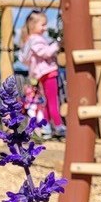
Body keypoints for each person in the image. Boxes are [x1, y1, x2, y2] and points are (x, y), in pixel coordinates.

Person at [18, 10, 65, 139]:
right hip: (47, 72)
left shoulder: (30, 40)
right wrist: (57, 44)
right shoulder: (36, 40)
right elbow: (45, 53)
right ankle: (58, 126)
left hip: (42, 74)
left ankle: (46, 127)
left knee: (47, 102)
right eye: (43, 25)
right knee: (53, 101)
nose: (45, 28)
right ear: (33, 25)